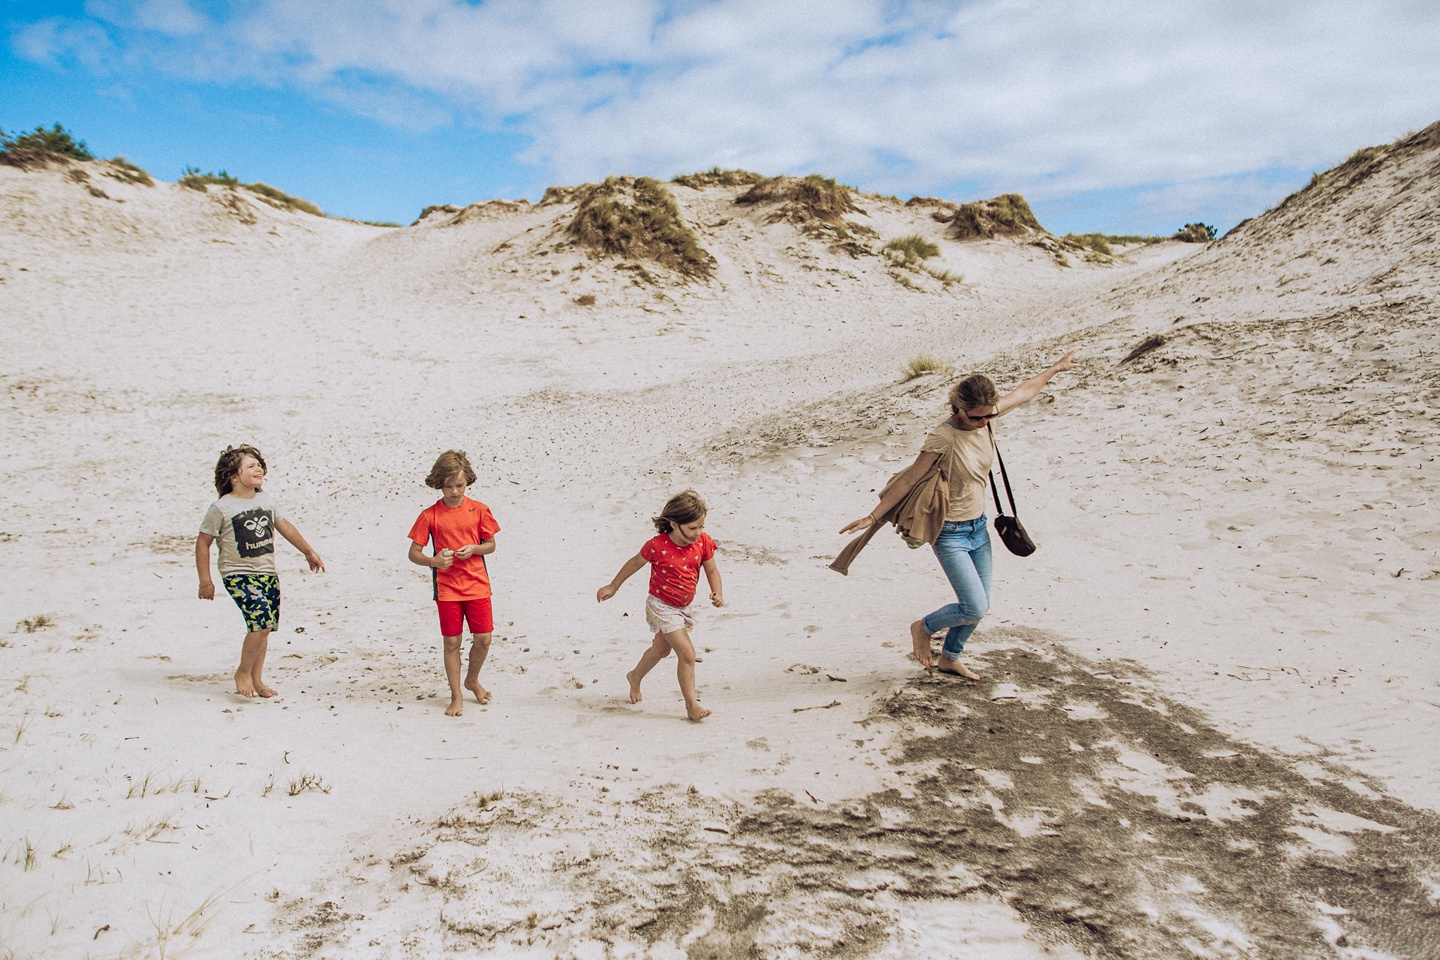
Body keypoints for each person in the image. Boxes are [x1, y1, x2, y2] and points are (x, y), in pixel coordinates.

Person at [840, 351, 1078, 678]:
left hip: (979, 530)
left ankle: (950, 657)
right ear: (958, 409)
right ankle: (923, 628)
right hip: (949, 533)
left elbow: (1025, 392)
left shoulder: (987, 417)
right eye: (976, 418)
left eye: (988, 416)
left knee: (979, 604)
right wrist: (872, 515)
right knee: (974, 606)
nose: (983, 423)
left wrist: (1055, 368)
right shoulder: (944, 436)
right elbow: (910, 477)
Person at [196, 445, 325, 698]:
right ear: (234, 476)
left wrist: (308, 551)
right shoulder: (221, 508)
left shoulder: (266, 501)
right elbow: (203, 543)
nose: (258, 468)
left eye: (259, 464)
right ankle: (243, 672)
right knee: (260, 624)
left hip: (267, 573)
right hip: (238, 573)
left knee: (264, 628)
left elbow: (285, 527)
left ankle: (257, 679)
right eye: (250, 465)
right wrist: (205, 581)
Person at [597, 489, 724, 721]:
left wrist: (717, 591)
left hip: (683, 607)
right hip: (662, 606)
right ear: (674, 524)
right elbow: (634, 563)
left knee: (661, 649)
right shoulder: (657, 546)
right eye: (692, 528)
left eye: (701, 527)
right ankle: (691, 705)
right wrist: (613, 586)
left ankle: (634, 676)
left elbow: (711, 569)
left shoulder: (703, 542)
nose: (698, 533)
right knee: (687, 653)